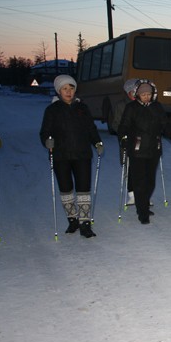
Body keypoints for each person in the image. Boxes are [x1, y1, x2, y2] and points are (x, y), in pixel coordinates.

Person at [39, 74, 103, 238]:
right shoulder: (52, 110)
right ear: (59, 91)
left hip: (82, 155)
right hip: (61, 156)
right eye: (65, 89)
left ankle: (85, 223)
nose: (68, 92)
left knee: (83, 190)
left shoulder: (83, 108)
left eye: (71, 88)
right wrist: (48, 141)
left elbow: (91, 128)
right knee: (66, 189)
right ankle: (72, 220)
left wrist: (97, 142)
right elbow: (45, 132)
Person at [117, 79, 171, 224]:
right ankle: (142, 211)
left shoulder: (157, 107)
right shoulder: (131, 108)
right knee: (139, 181)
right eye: (143, 94)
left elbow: (165, 124)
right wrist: (124, 138)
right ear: (138, 95)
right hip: (137, 149)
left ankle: (143, 204)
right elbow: (123, 125)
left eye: (149, 94)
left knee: (150, 182)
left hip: (154, 148)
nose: (146, 96)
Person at [120, 78, 138, 206]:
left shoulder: (142, 105)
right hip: (128, 142)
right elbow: (117, 123)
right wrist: (124, 135)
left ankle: (142, 194)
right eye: (133, 91)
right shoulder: (122, 106)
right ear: (128, 93)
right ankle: (132, 194)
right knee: (130, 168)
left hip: (142, 143)